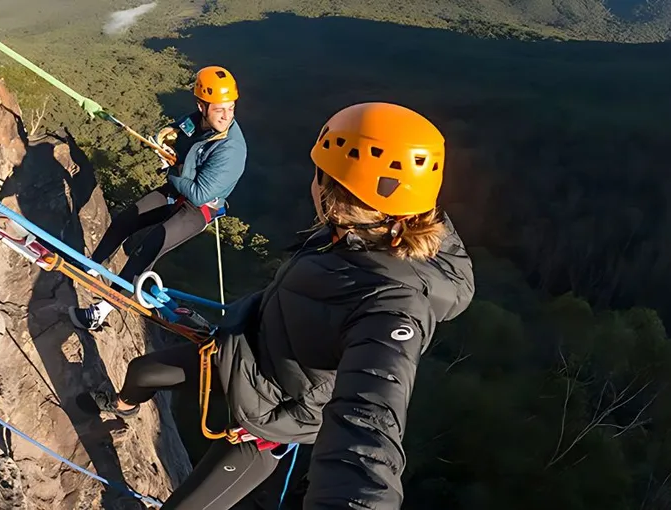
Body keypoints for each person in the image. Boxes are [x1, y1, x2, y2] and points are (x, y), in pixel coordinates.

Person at [80, 102, 475, 509]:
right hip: (241, 353)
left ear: (332, 190)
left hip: (270, 422)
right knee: (142, 370)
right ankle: (124, 408)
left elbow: (370, 426)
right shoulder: (358, 234)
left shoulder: (392, 307)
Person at [69, 65, 247, 330]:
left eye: (230, 107)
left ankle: (101, 312)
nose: (226, 115)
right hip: (178, 190)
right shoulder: (196, 121)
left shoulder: (231, 149)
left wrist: (171, 170)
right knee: (126, 220)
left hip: (199, 208)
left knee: (149, 247)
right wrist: (163, 138)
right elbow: (179, 128)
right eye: (219, 108)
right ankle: (91, 267)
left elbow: (199, 194)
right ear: (202, 106)